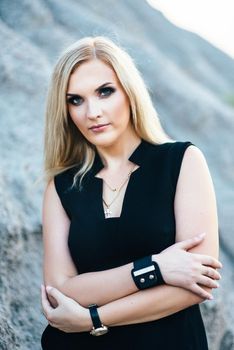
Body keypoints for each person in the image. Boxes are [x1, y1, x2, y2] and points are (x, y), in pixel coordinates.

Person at [40, 36, 222, 349]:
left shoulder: (181, 161)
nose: (92, 112)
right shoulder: (62, 186)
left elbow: (197, 283)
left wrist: (93, 319)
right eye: (76, 100)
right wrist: (154, 268)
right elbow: (61, 291)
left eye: (104, 92)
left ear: (129, 91)